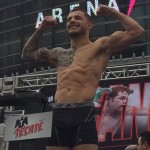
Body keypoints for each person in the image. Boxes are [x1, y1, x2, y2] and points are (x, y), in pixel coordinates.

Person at [22, 4, 144, 150]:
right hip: (58, 113)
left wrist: (112, 11)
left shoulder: (100, 46)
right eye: (69, 19)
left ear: (89, 25)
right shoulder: (58, 53)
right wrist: (41, 28)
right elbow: (27, 54)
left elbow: (136, 31)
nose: (72, 21)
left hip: (83, 113)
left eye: (77, 18)